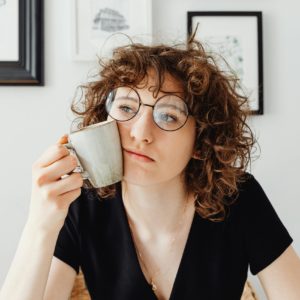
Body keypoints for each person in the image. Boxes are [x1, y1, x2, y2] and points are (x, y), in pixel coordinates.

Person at [1, 36, 300, 300]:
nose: (140, 133)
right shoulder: (81, 203)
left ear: (201, 140)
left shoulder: (238, 196)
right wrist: (40, 224)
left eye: (169, 116)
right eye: (127, 108)